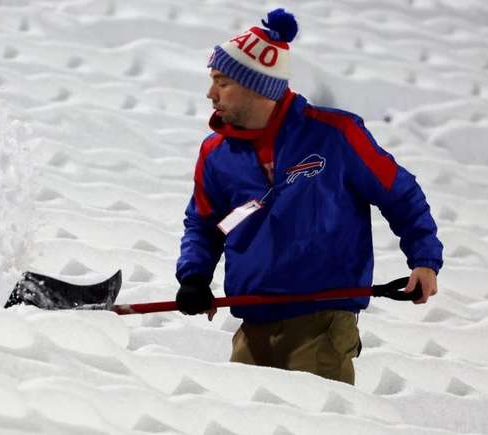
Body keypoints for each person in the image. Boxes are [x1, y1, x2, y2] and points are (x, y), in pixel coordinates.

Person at [175, 8, 443, 385]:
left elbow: (401, 193)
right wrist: (194, 277)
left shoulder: (336, 135)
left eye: (222, 81)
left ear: (257, 85)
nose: (210, 93)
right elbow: (205, 224)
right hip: (253, 324)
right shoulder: (216, 154)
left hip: (322, 323)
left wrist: (424, 259)